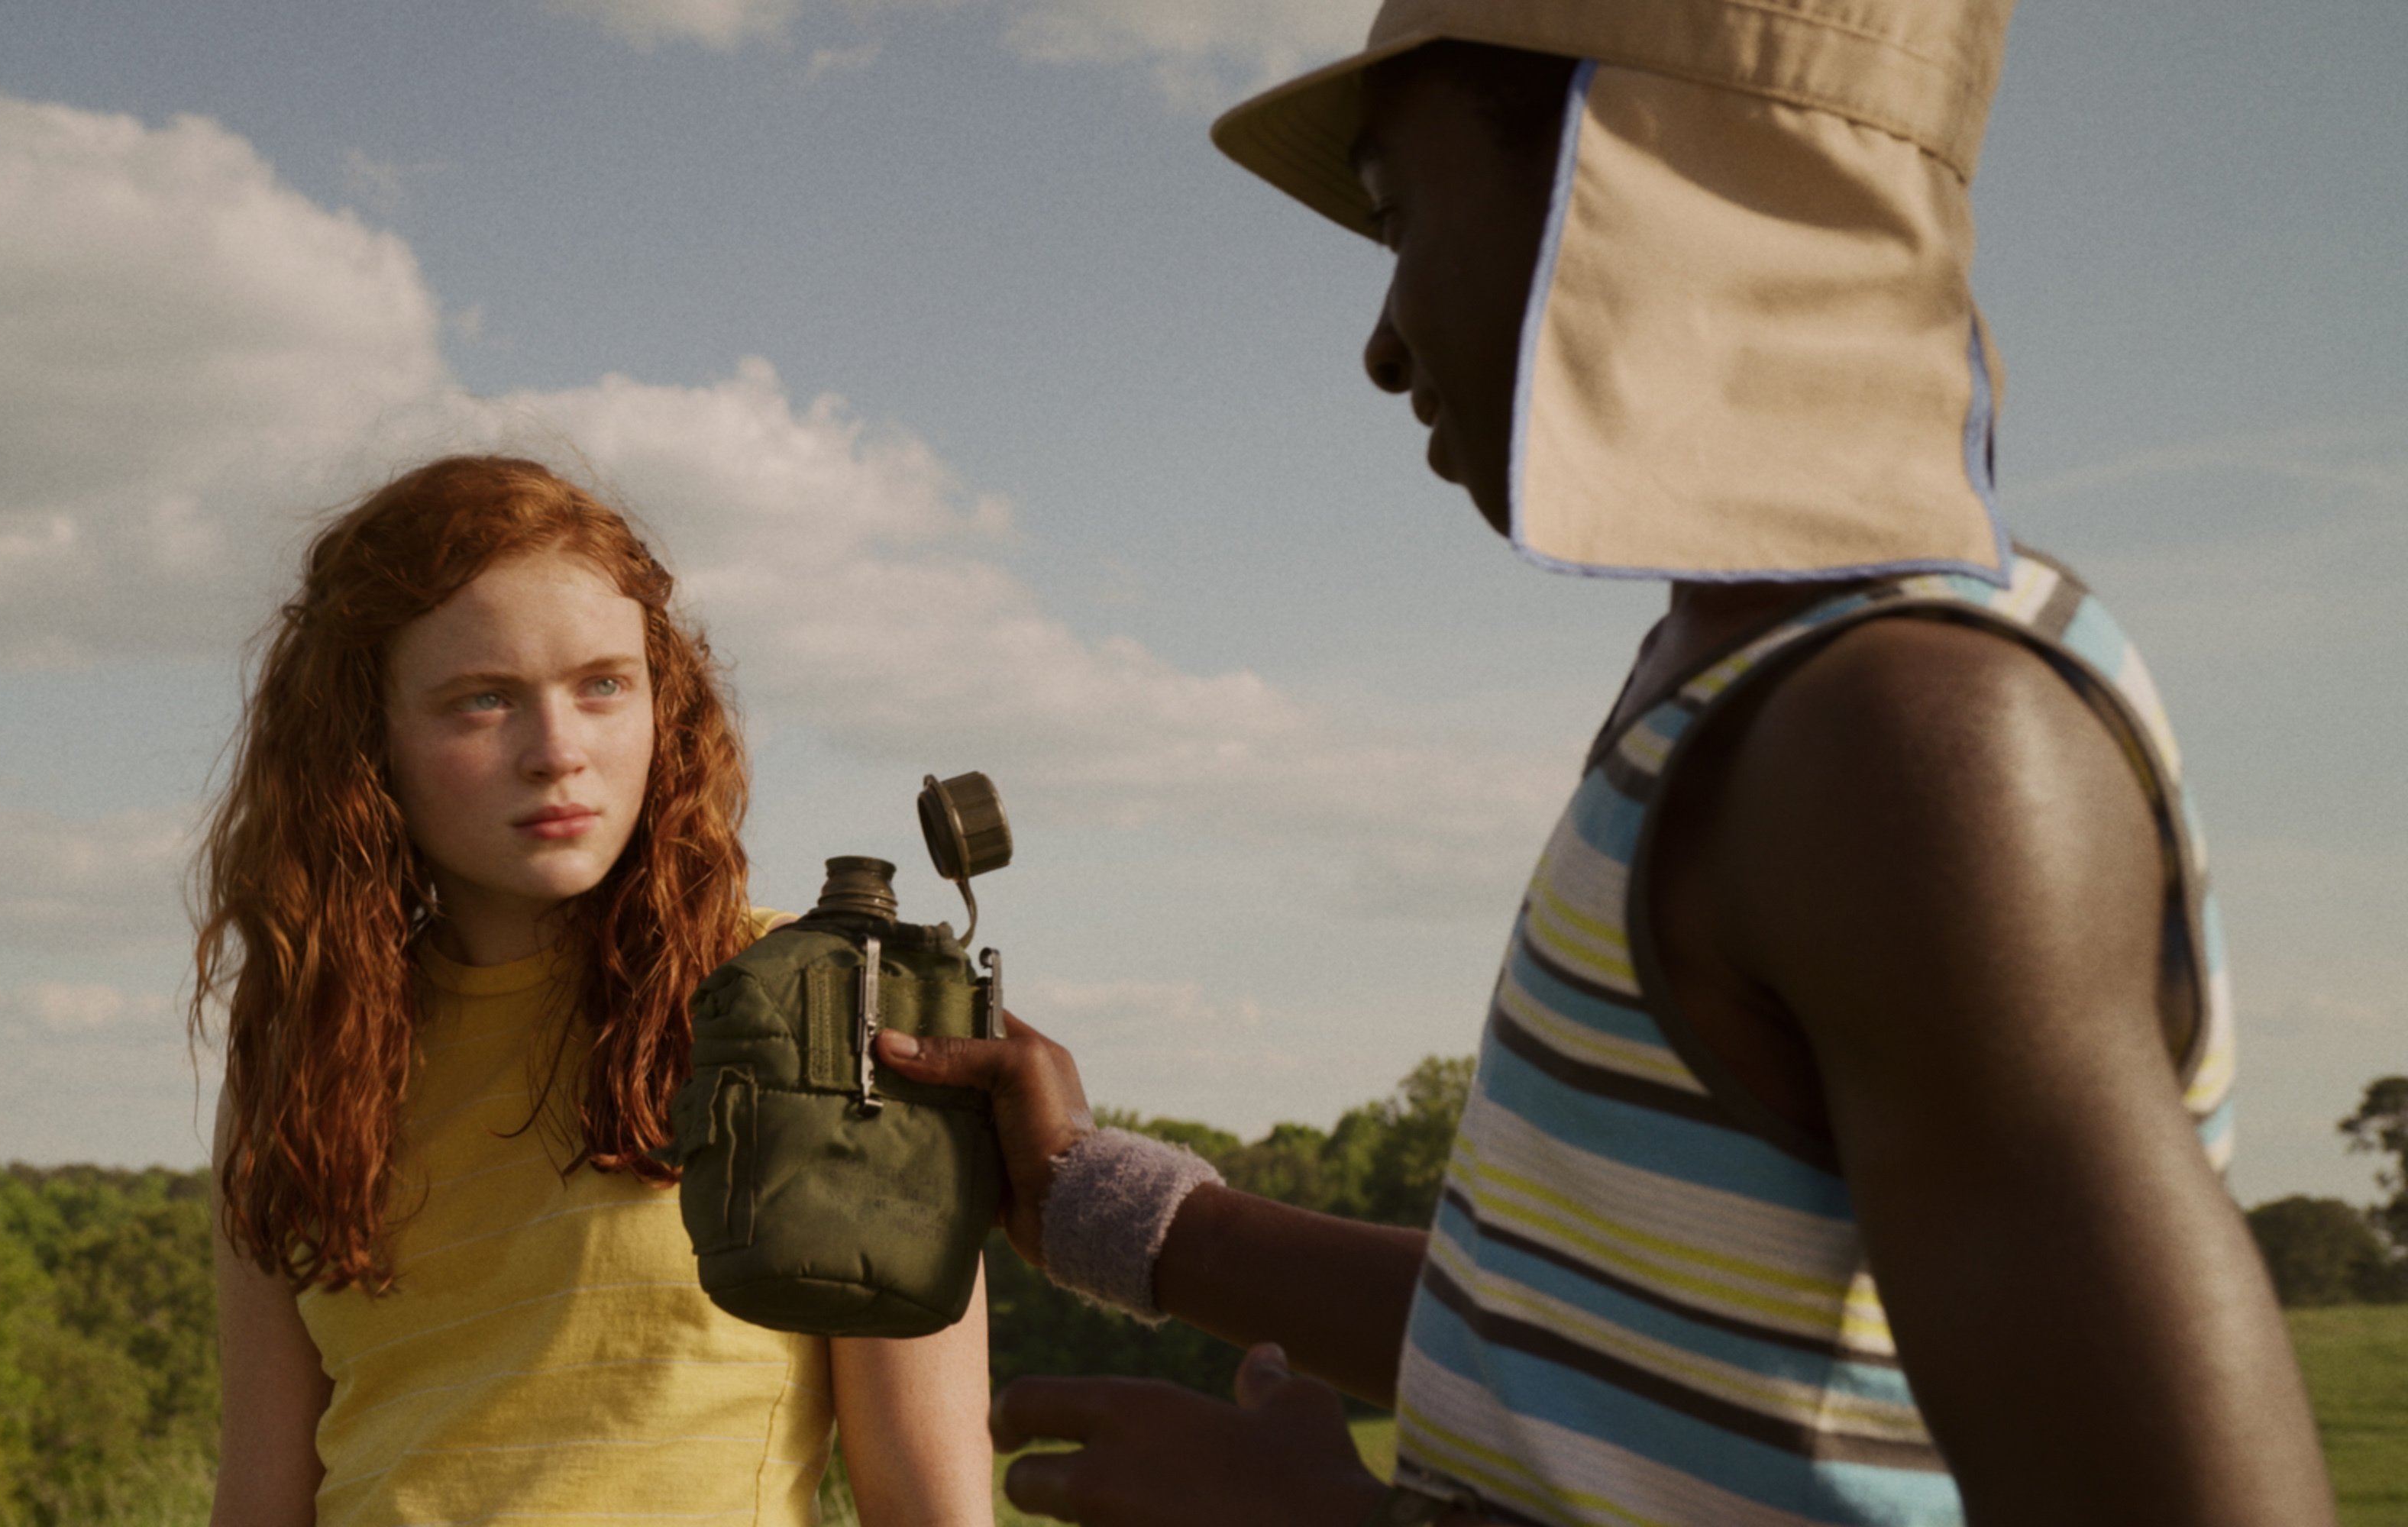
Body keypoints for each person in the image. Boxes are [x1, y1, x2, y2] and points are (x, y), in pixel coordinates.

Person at [879, 3, 2341, 1523]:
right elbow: (1573, 1349)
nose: (1378, 346)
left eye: (1395, 218)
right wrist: (1087, 1201)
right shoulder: (1742, 693)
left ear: (1641, 190)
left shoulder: (1908, 749)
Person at [196, 455, 994, 1527]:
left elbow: (930, 1504)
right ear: (364, 743)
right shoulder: (302, 1060)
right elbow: (260, 1501)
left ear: (665, 703)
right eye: (482, 701)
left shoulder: (821, 1005)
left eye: (604, 685)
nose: (558, 752)